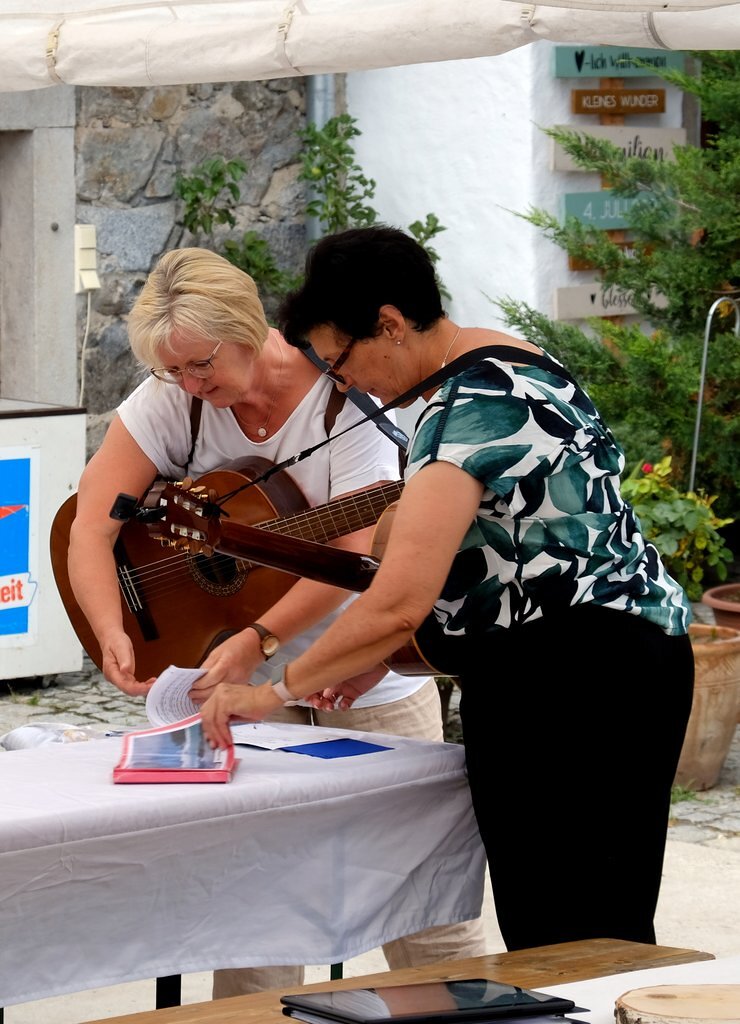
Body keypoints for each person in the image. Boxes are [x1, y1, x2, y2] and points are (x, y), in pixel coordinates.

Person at [199, 225, 696, 952]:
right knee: (602, 924)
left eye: (341, 360)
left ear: (390, 324)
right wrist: (385, 656)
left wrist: (275, 692)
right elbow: (508, 558)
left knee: (563, 937)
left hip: (571, 681)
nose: (345, 383)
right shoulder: (510, 357)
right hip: (627, 658)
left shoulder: (463, 409)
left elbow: (398, 600)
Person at [67, 246, 486, 997]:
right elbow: (91, 524)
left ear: (245, 327)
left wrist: (258, 637)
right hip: (236, 678)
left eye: (200, 365)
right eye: (174, 371)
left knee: (421, 888)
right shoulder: (173, 397)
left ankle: (463, 1014)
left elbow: (352, 553)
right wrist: (111, 628)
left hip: (364, 668)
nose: (190, 384)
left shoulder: (347, 392)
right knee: (254, 894)